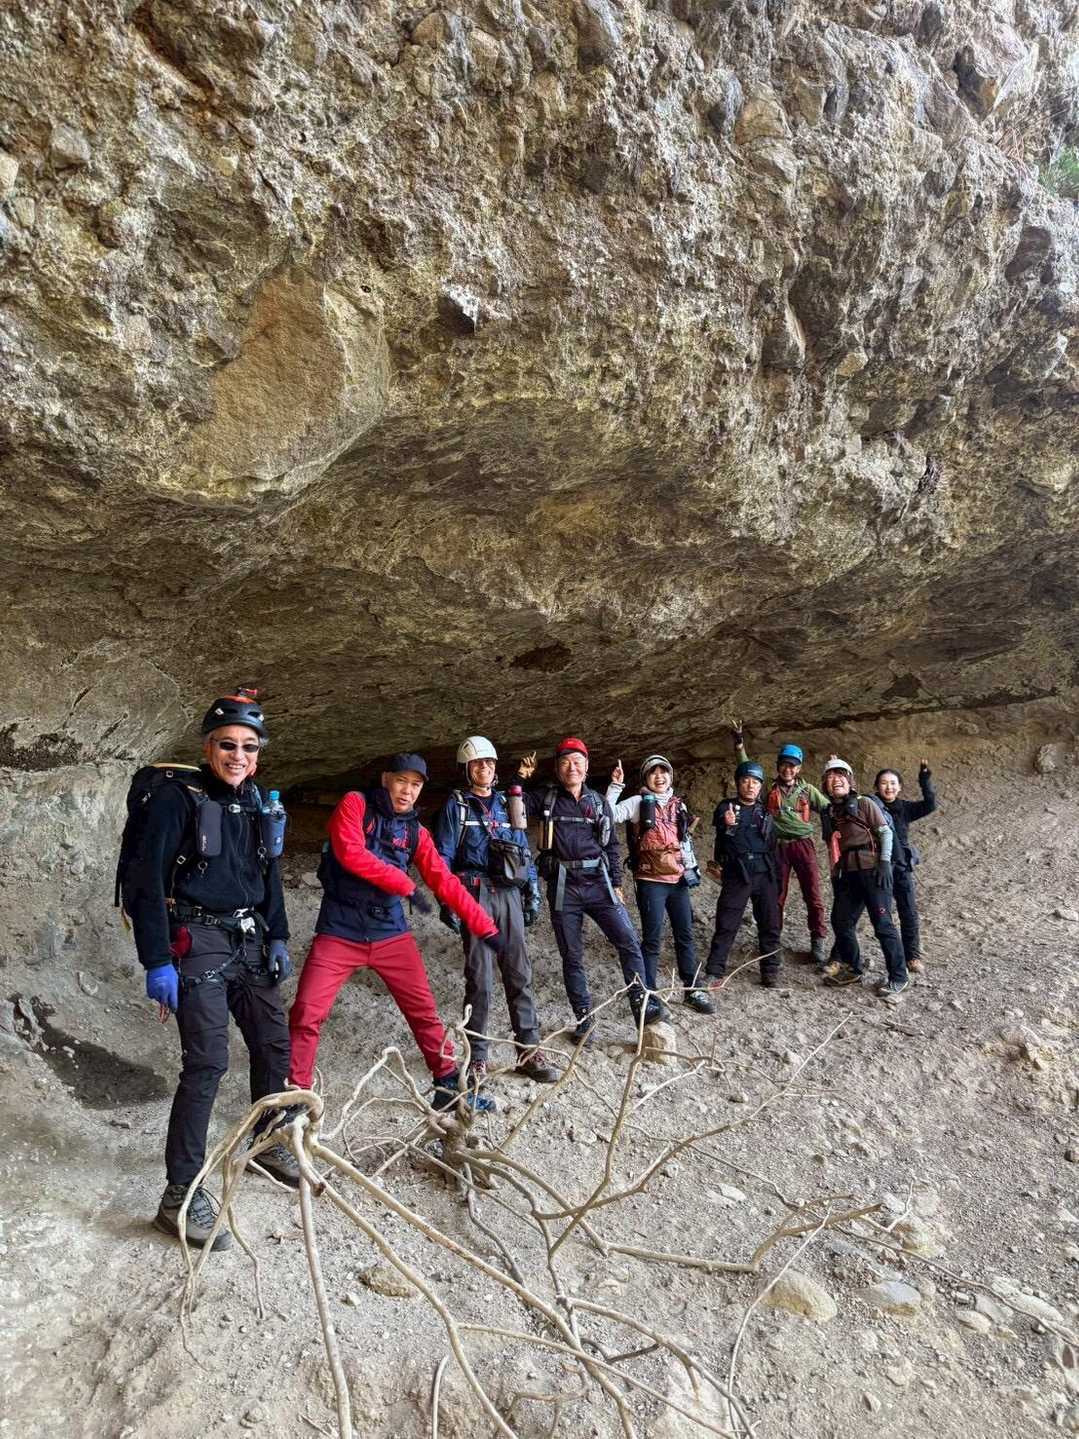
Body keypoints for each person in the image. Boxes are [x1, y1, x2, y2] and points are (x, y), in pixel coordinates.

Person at [126, 690, 296, 1252]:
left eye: (249, 747)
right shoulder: (178, 799)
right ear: (208, 747)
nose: (238, 756)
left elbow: (269, 875)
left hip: (248, 937)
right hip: (195, 937)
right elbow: (147, 883)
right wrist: (157, 960)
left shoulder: (256, 802)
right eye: (227, 745)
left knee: (274, 1044)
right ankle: (179, 1196)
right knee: (206, 1063)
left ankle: (266, 1143)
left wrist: (278, 934)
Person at [288, 754, 508, 1111]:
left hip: (389, 932)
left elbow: (445, 881)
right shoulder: (355, 804)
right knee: (306, 1013)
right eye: (402, 781)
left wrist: (485, 927)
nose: (408, 791)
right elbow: (349, 853)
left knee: (424, 1012)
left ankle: (449, 1087)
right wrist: (404, 885)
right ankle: (295, 1096)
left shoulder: (416, 832)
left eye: (416, 785)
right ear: (385, 779)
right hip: (340, 930)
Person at [510, 738, 670, 1045]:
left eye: (577, 762)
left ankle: (642, 1004)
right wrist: (520, 778)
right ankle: (584, 1018)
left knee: (628, 941)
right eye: (565, 762)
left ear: (586, 767)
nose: (572, 768)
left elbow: (612, 846)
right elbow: (514, 807)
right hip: (563, 885)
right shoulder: (546, 798)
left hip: (598, 882)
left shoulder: (597, 802)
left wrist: (617, 884)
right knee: (572, 955)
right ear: (557, 769)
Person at [434, 736, 558, 1085]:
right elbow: (443, 855)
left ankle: (529, 1051)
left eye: (489, 762)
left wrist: (532, 889)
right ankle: (477, 1056)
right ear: (466, 769)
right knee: (480, 978)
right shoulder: (457, 806)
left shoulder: (508, 803)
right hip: (473, 893)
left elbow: (522, 849)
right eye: (477, 763)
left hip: (509, 894)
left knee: (520, 973)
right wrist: (446, 898)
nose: (484, 768)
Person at [606, 754, 713, 1014]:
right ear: (645, 778)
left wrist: (691, 869)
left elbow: (684, 841)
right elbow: (607, 815)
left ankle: (693, 989)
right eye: (653, 772)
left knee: (685, 935)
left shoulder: (679, 805)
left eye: (663, 771)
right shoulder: (638, 803)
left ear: (670, 776)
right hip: (650, 880)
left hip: (677, 880)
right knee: (652, 940)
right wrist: (616, 787)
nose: (659, 776)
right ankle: (648, 994)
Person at [732, 723, 829, 965]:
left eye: (793, 765)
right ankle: (772, 942)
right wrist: (740, 745)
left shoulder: (807, 790)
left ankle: (818, 939)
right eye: (785, 764)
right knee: (776, 896)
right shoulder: (768, 788)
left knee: (813, 893)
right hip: (776, 847)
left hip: (803, 844)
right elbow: (748, 771)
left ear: (799, 768)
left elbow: (829, 808)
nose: (788, 769)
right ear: (778, 765)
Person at [818, 757, 908, 1002]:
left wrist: (885, 862)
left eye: (840, 775)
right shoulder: (832, 811)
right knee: (841, 921)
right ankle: (853, 968)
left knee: (882, 924)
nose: (836, 780)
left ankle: (899, 976)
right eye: (830, 777)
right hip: (849, 873)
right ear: (825, 784)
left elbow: (885, 833)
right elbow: (834, 844)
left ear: (850, 781)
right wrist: (836, 873)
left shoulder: (865, 803)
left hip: (873, 871)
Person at [704, 759, 782, 988]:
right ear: (738, 783)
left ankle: (770, 972)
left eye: (755, 782)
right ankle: (715, 970)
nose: (750, 785)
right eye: (746, 780)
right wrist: (726, 823)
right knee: (727, 922)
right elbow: (721, 825)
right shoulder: (726, 807)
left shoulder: (766, 812)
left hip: (764, 872)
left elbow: (773, 844)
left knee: (770, 923)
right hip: (737, 873)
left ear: (760, 786)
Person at [873, 760, 936, 975]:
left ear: (899, 787)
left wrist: (925, 780)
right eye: (884, 783)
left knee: (908, 912)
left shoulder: (905, 808)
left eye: (893, 783)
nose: (889, 787)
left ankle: (912, 956)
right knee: (880, 914)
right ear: (877, 786)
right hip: (877, 868)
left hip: (901, 867)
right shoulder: (870, 807)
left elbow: (930, 804)